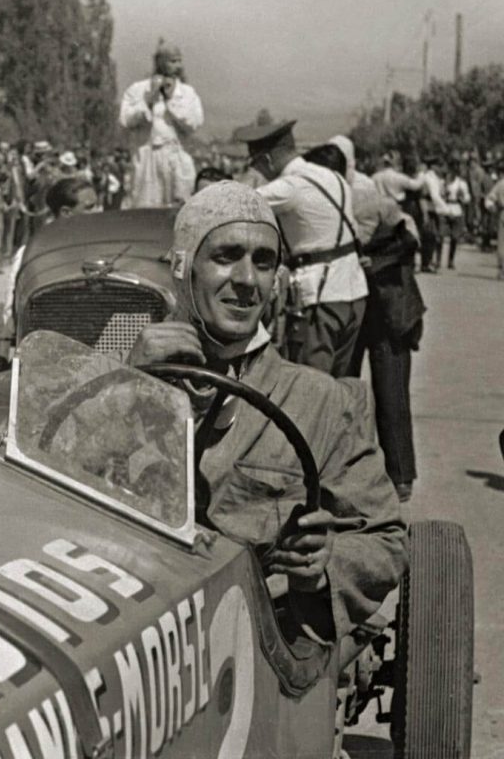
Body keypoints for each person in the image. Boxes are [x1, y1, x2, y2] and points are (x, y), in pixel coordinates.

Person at [127, 181, 407, 642]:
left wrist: (322, 566)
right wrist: (127, 385)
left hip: (258, 641)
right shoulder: (130, 374)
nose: (247, 279)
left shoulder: (319, 400)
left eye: (263, 261)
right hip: (131, 627)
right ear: (183, 268)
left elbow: (384, 540)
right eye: (225, 256)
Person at [234, 120, 367, 377]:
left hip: (319, 299)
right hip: (354, 293)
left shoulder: (289, 188)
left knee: (309, 387)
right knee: (340, 387)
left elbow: (233, 203)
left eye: (257, 163)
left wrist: (247, 178)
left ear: (268, 160)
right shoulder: (335, 177)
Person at [348, 199, 425, 501]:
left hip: (390, 316)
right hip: (364, 310)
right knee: (348, 393)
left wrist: (371, 262)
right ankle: (360, 468)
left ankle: (401, 475)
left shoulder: (395, 228)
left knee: (391, 396)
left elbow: (409, 242)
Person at [3, 177, 97, 327]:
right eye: (89, 207)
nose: (100, 211)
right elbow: (12, 310)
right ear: (66, 212)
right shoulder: (29, 253)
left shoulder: (102, 249)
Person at [119, 41, 203, 207]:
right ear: (160, 62)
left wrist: (171, 99)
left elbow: (194, 123)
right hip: (147, 156)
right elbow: (125, 119)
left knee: (180, 205)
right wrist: (149, 99)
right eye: (173, 61)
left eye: (179, 61)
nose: (178, 66)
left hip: (177, 156)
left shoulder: (187, 92)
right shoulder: (137, 90)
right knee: (146, 207)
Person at [441, 161, 470, 270]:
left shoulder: (461, 184)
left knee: (454, 237)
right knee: (442, 235)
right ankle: (438, 259)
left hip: (456, 208)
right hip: (445, 207)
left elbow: (467, 198)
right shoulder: (443, 182)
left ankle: (450, 260)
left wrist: (462, 196)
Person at [483, 170, 504, 281]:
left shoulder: (501, 183)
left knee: (502, 244)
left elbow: (490, 197)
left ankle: (502, 271)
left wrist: (491, 207)